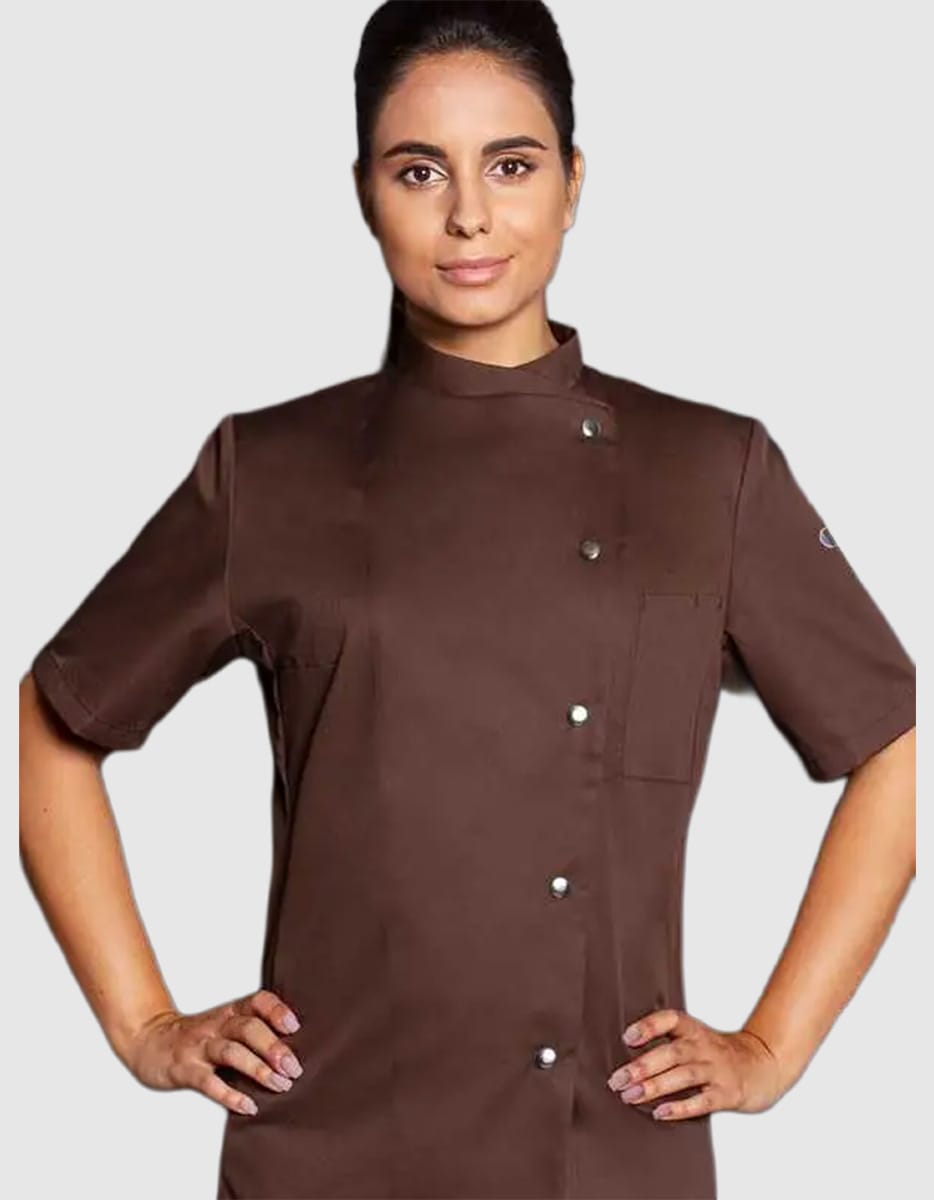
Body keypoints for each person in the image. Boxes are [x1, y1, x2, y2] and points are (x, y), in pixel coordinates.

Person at [18, 3, 916, 1198]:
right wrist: (143, 1024)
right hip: (326, 1153)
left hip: (608, 1156)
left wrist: (771, 1048)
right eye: (418, 170)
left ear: (574, 180)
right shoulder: (268, 471)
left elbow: (892, 742)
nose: (469, 217)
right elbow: (55, 715)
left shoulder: (708, 470)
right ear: (361, 192)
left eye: (511, 164)